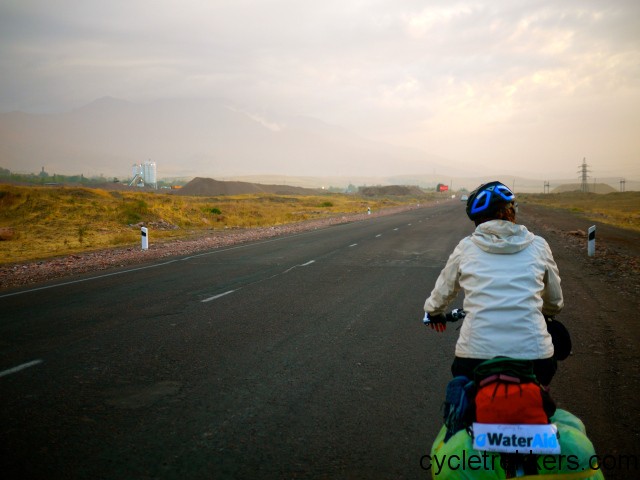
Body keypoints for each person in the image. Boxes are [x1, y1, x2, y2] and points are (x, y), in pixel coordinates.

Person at [423, 181, 564, 385]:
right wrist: (547, 313)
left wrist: (434, 312)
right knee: (541, 400)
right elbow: (555, 300)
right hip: (534, 354)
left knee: (461, 397)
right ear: (511, 212)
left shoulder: (466, 247)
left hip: (475, 354)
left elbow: (442, 292)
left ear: (478, 220)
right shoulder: (538, 246)